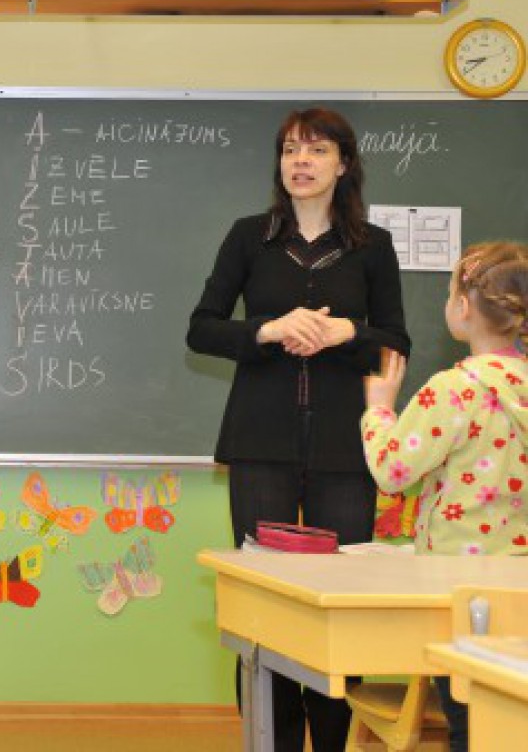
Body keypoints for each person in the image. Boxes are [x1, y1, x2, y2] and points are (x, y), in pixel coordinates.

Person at [187, 107, 411, 751]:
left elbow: (396, 342)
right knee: (266, 605)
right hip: (261, 441)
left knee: (338, 607)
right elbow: (202, 328)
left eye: (316, 150)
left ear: (344, 164)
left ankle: (333, 742)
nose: (301, 162)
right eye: (290, 150)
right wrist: (268, 329)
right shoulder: (248, 237)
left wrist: (348, 332)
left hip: (345, 447)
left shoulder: (373, 246)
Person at [362, 240, 528, 752]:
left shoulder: (454, 388)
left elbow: (392, 470)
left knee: (467, 721)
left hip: (459, 587)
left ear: (463, 307)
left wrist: (379, 410)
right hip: (521, 585)